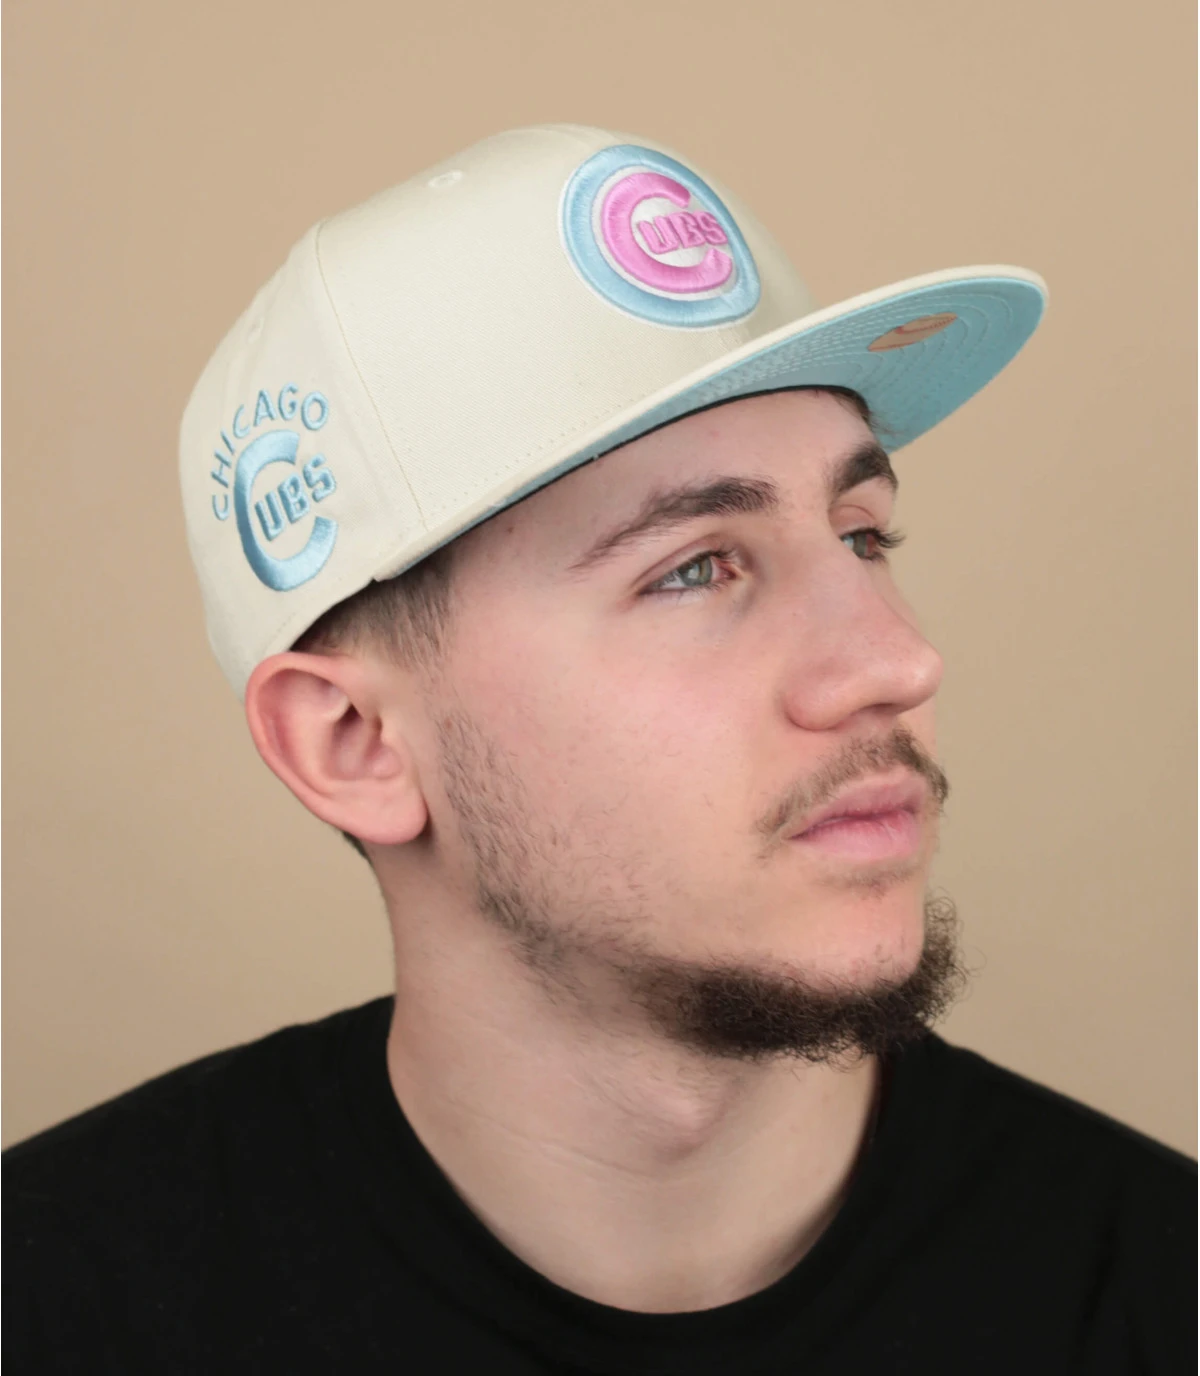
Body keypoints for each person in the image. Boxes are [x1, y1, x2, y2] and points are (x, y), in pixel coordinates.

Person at [5, 124, 1194, 1373]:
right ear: (354, 743)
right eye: (695, 567)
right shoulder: (52, 1306)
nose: (896, 662)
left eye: (861, 534)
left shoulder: (1163, 1294)